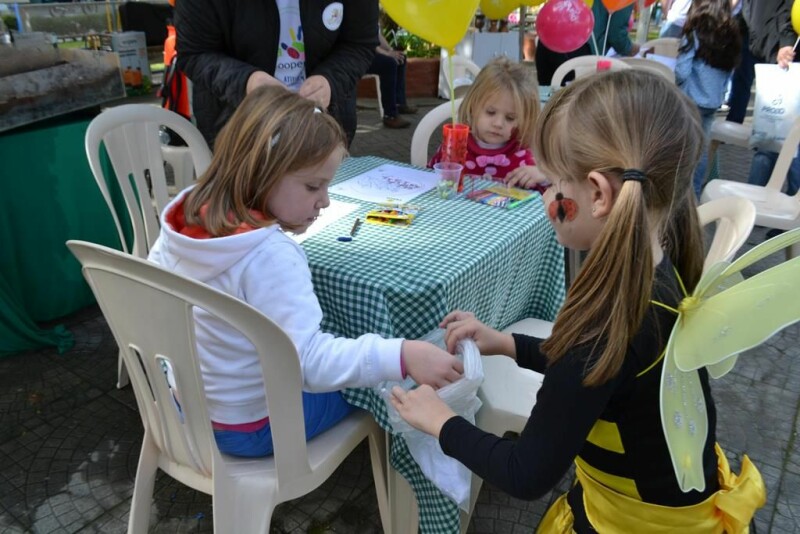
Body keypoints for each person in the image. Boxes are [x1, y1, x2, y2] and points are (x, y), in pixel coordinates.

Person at [390, 70, 766, 532]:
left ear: (598, 194)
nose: (549, 196)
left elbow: (526, 472)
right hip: (676, 507)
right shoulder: (658, 278)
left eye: (555, 185)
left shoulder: (601, 325)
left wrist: (440, 420)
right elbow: (602, 378)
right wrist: (508, 343)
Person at [148, 85, 464, 458]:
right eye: (314, 185)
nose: (325, 200)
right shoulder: (270, 256)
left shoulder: (185, 215)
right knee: (373, 390)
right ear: (261, 172)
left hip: (186, 407)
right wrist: (403, 354)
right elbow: (309, 362)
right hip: (252, 427)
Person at [175, 0, 378, 148]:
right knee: (244, 205)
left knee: (323, 201)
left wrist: (330, 81)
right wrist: (247, 81)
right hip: (238, 129)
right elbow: (195, 52)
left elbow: (359, 43)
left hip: (323, 127)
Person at [427, 57, 547, 190]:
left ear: (524, 119)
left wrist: (544, 175)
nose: (498, 123)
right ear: (473, 107)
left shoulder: (525, 158)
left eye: (510, 118)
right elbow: (427, 179)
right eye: (490, 112)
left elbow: (547, 202)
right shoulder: (454, 148)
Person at [674, 0, 741, 197]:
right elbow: (730, 70)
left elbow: (682, 70)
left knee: (684, 148)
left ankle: (680, 194)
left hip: (690, 98)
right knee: (701, 149)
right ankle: (693, 194)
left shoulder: (695, 29)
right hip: (713, 100)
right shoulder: (732, 33)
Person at [365, 25, 417, 129]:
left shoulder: (372, 12)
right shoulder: (359, 12)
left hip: (370, 53)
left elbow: (377, 35)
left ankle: (399, 103)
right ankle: (390, 115)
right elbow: (366, 40)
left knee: (400, 58)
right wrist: (388, 54)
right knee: (389, 64)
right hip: (358, 56)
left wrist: (391, 50)